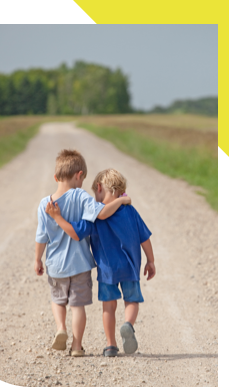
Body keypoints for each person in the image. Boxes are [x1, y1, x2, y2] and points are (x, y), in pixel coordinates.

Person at [45, 168, 156, 357]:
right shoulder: (130, 211)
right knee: (132, 300)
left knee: (108, 306)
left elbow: (76, 232)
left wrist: (58, 217)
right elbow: (144, 238)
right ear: (121, 192)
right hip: (130, 267)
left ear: (98, 187)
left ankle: (111, 345)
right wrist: (150, 261)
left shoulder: (94, 216)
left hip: (107, 271)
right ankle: (128, 324)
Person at [34, 151, 131, 357]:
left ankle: (61, 328)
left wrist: (37, 259)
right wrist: (122, 201)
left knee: (58, 300)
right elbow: (102, 213)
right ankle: (77, 346)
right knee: (78, 306)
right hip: (80, 264)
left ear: (55, 177)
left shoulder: (45, 204)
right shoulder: (80, 196)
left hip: (56, 264)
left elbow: (41, 236)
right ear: (79, 175)